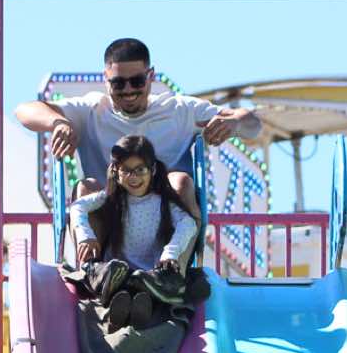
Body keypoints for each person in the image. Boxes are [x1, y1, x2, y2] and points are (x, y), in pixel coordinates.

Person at [13, 37, 258, 222]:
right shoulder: (92, 110)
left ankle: (180, 268)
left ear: (150, 76)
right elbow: (24, 110)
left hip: (165, 227)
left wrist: (235, 122)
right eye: (118, 83)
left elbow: (253, 124)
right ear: (106, 79)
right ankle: (94, 268)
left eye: (137, 81)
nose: (128, 90)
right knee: (85, 188)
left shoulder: (179, 110)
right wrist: (58, 122)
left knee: (181, 182)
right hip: (110, 224)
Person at [66, 136, 196, 327]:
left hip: (149, 276)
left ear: (152, 170)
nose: (133, 177)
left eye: (140, 170)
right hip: (116, 273)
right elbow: (77, 207)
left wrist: (171, 253)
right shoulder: (110, 198)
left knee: (147, 287)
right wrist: (86, 236)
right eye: (126, 170)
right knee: (110, 274)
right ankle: (115, 297)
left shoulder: (162, 202)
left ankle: (141, 305)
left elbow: (188, 223)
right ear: (115, 171)